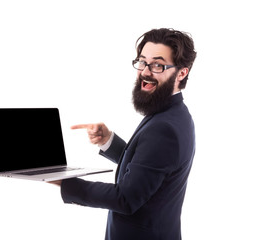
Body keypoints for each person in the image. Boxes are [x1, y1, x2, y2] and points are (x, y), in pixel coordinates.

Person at [50, 28, 197, 240]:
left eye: (157, 64)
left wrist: (65, 182)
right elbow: (149, 169)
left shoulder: (164, 128)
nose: (146, 72)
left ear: (181, 73)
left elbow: (126, 199)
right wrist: (109, 141)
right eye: (142, 62)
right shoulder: (175, 114)